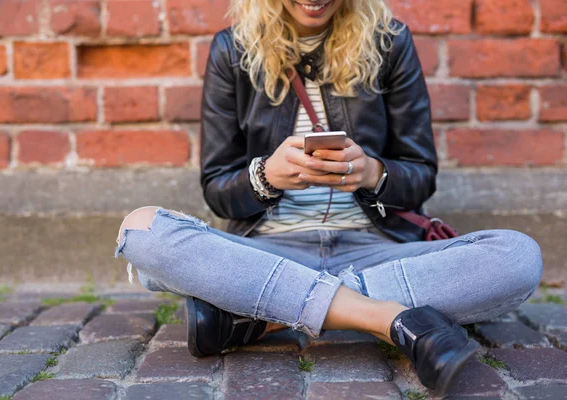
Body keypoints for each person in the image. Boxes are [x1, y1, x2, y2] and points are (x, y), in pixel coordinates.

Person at [114, 0, 543, 395]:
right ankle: (385, 317)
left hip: (374, 248)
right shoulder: (233, 48)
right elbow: (218, 190)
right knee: (143, 230)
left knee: (517, 256)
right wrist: (266, 177)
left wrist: (372, 173)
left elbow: (421, 175)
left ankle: (257, 316)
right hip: (268, 249)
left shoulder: (389, 42)